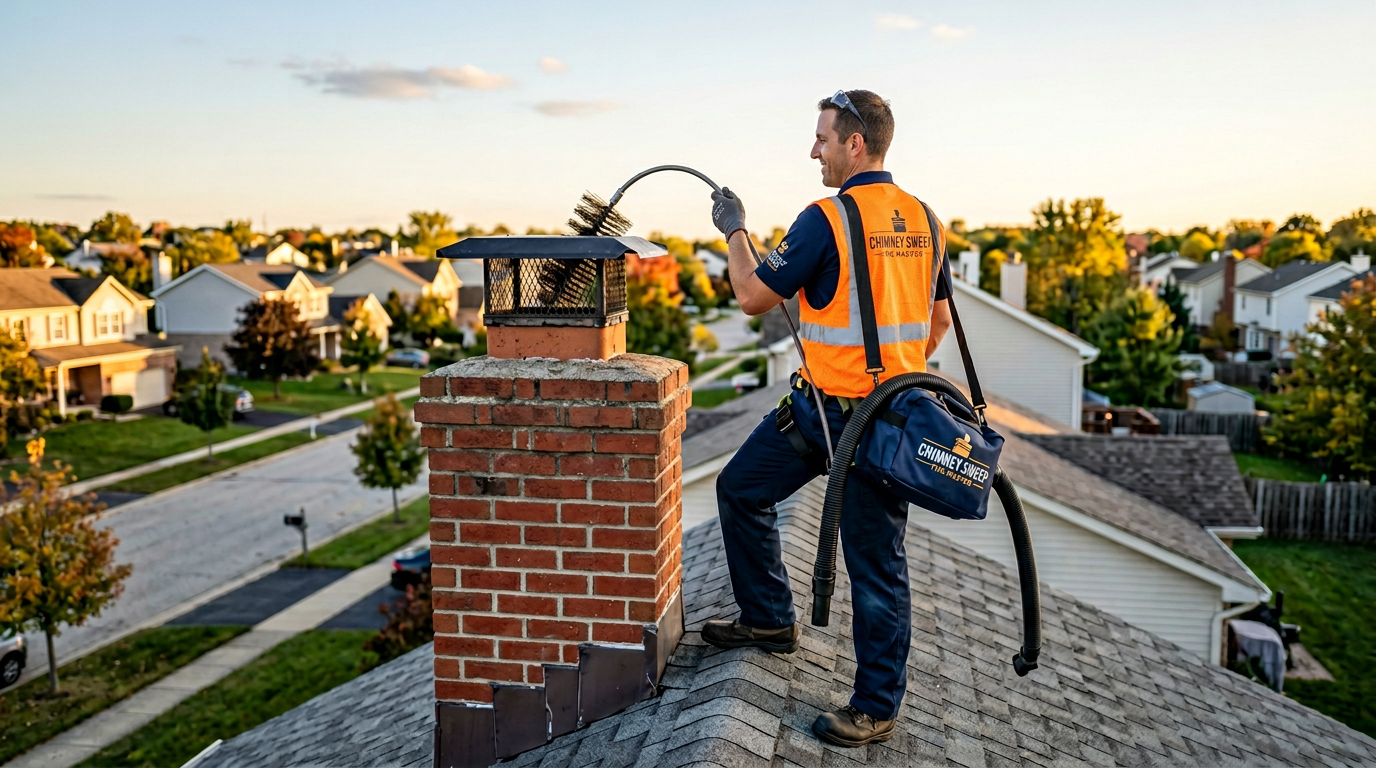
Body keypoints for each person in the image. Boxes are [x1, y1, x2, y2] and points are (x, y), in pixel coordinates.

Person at [703, 89, 952, 748]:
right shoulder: (926, 219)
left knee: (873, 565)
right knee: (742, 488)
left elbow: (755, 295)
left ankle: (875, 706)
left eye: (821, 138)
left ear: (854, 144)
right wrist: (890, 370)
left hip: (864, 427)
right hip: (824, 410)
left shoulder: (828, 217)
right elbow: (939, 321)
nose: (813, 149)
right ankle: (768, 620)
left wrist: (734, 229)